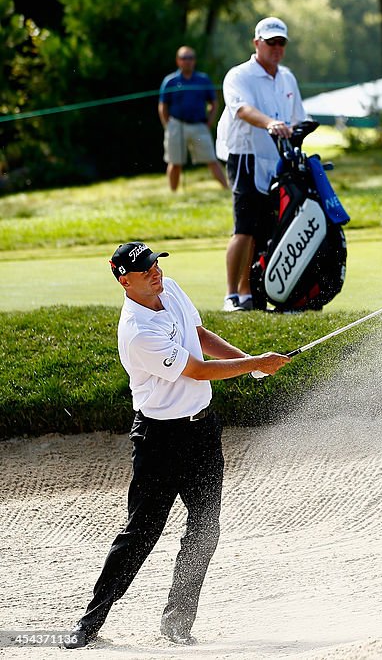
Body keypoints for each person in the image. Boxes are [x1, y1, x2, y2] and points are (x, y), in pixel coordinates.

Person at [62, 242, 290, 649]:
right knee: (141, 534)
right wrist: (255, 364)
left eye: (155, 263)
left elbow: (199, 336)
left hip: (203, 432)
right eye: (144, 268)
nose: (155, 272)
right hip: (160, 441)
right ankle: (90, 622)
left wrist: (249, 361)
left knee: (205, 527)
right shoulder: (137, 331)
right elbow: (197, 368)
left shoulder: (171, 290)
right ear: (123, 280)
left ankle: (177, 620)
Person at [216, 17, 307, 312]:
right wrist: (270, 123)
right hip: (245, 155)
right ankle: (232, 295)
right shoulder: (239, 75)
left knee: (265, 229)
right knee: (244, 228)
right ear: (257, 43)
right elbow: (242, 109)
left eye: (281, 43)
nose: (277, 48)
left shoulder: (287, 77)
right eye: (271, 43)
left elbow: (296, 119)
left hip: (276, 160)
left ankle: (249, 293)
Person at [158, 46, 229, 192]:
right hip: (177, 125)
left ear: (194, 61)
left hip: (199, 125)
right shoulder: (170, 81)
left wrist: (210, 121)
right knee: (175, 161)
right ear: (178, 61)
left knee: (211, 159)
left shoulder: (203, 80)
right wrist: (168, 126)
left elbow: (214, 103)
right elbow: (163, 106)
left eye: (190, 58)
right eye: (184, 58)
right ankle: (173, 193)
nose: (188, 61)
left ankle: (226, 189)